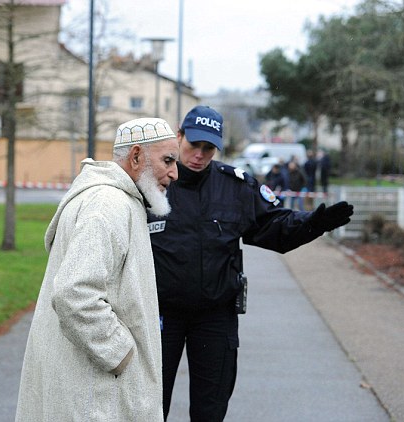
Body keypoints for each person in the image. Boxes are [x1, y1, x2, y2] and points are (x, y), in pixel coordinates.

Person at [147, 105, 354, 422]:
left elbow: (276, 227)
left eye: (208, 148)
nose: (199, 155)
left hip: (214, 317)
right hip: (159, 316)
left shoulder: (235, 188)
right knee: (148, 407)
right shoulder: (151, 185)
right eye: (193, 145)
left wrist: (315, 223)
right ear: (179, 135)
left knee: (211, 410)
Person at [15, 118, 180, 422]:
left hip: (90, 384)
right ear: (136, 157)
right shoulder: (108, 204)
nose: (174, 173)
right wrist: (119, 352)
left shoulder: (116, 199)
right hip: (95, 392)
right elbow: (74, 293)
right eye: (168, 160)